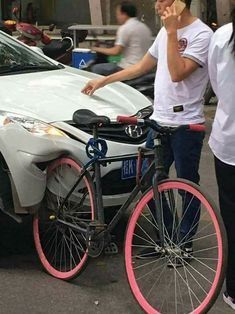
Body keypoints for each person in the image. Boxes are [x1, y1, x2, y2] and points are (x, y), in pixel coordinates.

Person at [82, 0, 212, 265]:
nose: (156, 4)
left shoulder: (201, 34)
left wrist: (173, 30)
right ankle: (166, 239)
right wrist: (103, 81)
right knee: (147, 180)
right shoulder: (165, 31)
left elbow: (177, 74)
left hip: (186, 125)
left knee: (186, 186)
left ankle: (182, 246)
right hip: (158, 119)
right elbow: (142, 67)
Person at [208, 2, 235, 310]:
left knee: (231, 220)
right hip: (227, 143)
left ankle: (234, 289)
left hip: (228, 142)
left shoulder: (221, 37)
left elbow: (215, 83)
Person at [91, 1, 152, 76]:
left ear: (124, 14)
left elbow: (115, 52)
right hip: (145, 68)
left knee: (95, 68)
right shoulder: (144, 28)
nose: (117, 17)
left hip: (128, 68)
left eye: (118, 14)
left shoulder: (125, 28)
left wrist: (95, 49)